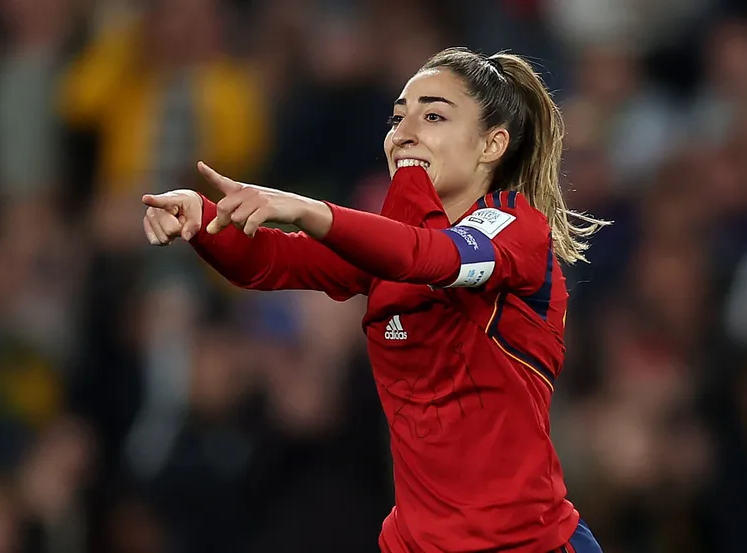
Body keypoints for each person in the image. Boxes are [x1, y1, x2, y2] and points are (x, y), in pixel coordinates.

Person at [141, 47, 607, 553]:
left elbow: (431, 256)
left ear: (493, 144)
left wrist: (307, 208)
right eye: (398, 117)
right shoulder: (386, 253)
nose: (404, 130)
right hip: (415, 542)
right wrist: (203, 221)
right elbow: (270, 262)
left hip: (526, 544)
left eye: (432, 115)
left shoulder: (517, 228)